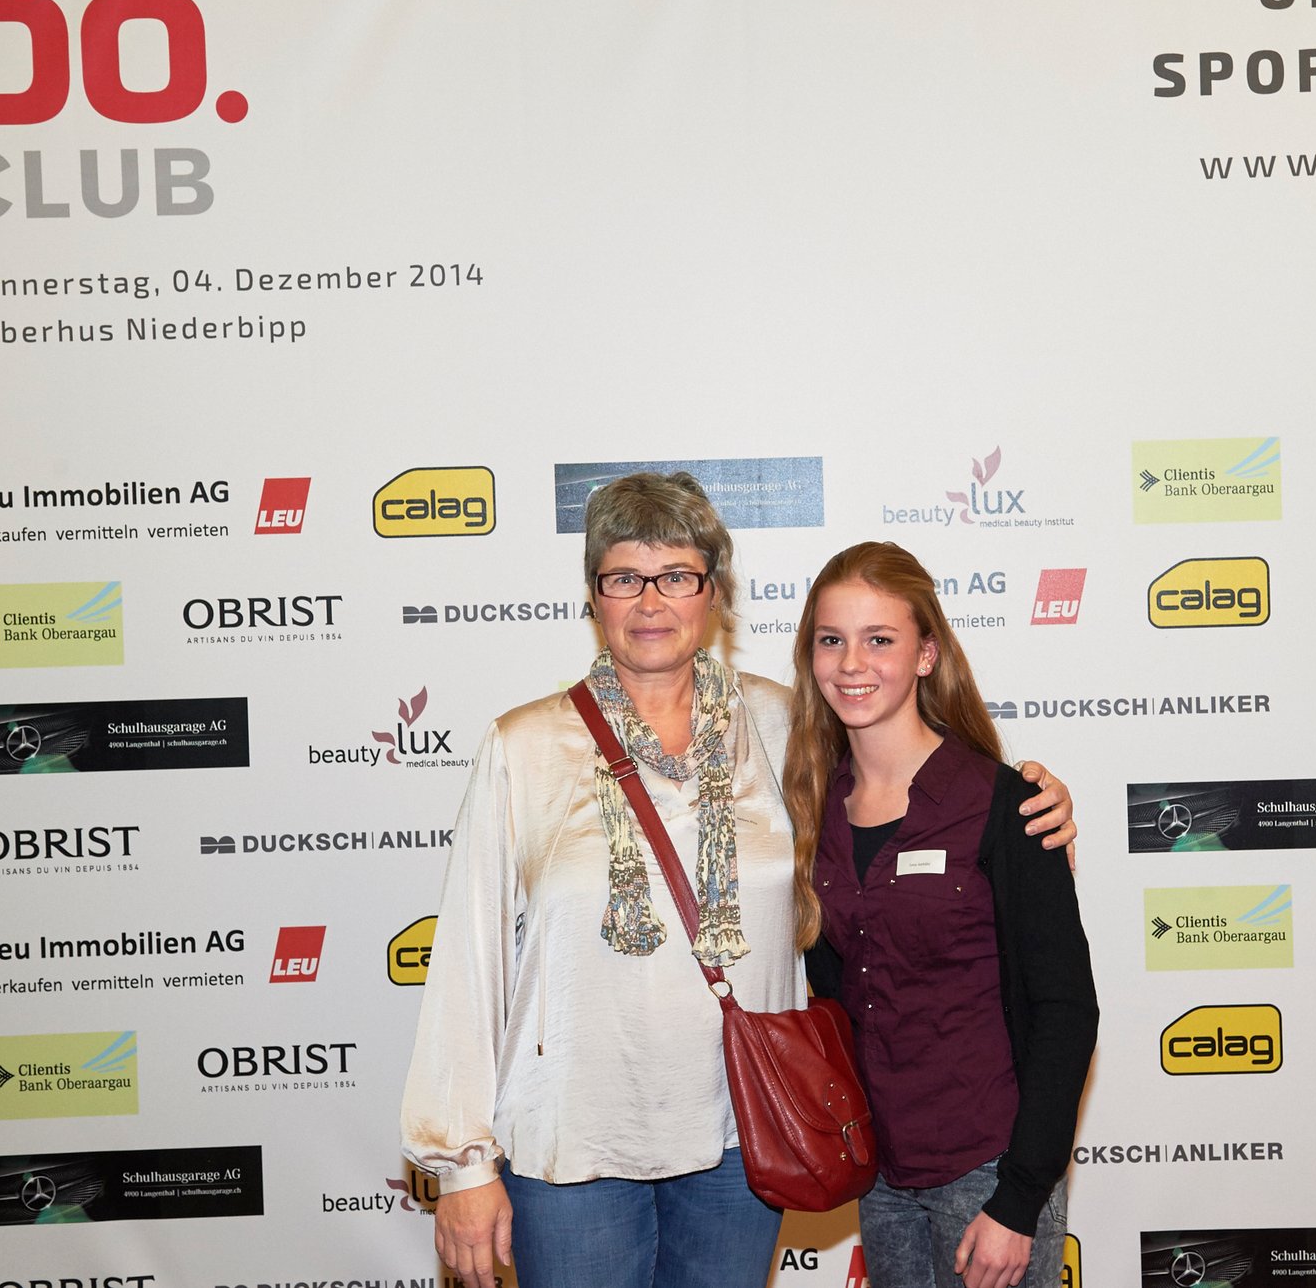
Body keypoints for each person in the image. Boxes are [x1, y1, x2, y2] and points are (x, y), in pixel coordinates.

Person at [400, 473, 1078, 1288]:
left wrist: (1034, 804)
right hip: (573, 1145)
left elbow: (913, 785)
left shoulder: (788, 725)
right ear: (593, 596)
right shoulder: (524, 747)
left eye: (676, 576)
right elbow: (468, 962)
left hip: (741, 1136)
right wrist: (463, 1165)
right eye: (624, 578)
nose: (651, 602)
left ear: (714, 593)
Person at [790, 543, 1097, 1288]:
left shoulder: (1006, 806)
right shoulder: (809, 810)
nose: (852, 664)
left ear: (926, 654)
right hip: (880, 1175)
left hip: (989, 1173)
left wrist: (1019, 1201)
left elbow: (1066, 1010)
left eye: (879, 639)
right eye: (831, 640)